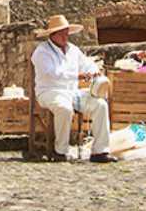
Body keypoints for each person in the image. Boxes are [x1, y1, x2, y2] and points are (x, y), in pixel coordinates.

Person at [30, 14, 114, 163]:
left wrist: (94, 71)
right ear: (52, 35)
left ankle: (100, 151)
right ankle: (60, 151)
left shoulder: (73, 49)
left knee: (100, 105)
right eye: (61, 33)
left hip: (73, 92)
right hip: (50, 91)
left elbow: (87, 64)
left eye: (66, 33)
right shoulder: (42, 51)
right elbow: (51, 73)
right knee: (64, 108)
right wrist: (78, 76)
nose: (65, 36)